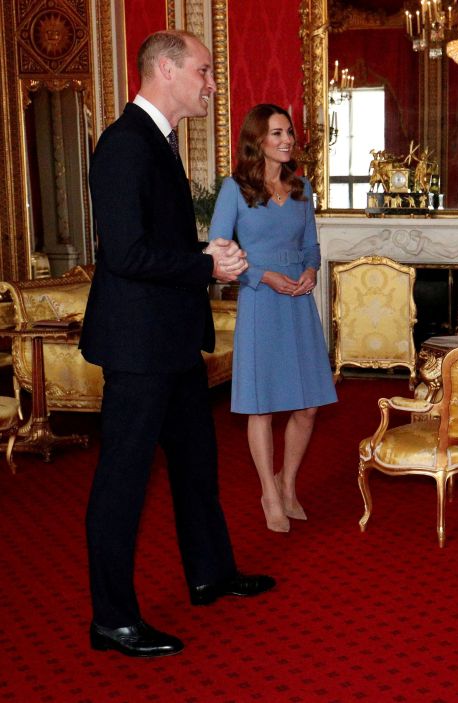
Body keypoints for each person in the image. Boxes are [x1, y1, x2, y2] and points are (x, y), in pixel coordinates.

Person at [82, 30, 275, 659]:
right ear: (165, 69)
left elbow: (157, 240)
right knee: (123, 483)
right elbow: (127, 252)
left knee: (196, 466)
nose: (211, 82)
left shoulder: (157, 143)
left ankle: (209, 574)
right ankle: (111, 619)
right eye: (204, 69)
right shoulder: (123, 145)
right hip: (138, 347)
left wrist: (204, 255)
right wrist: (205, 265)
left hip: (171, 340)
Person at [209, 104, 337, 533]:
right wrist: (263, 276)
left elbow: (311, 246)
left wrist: (310, 272)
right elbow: (219, 250)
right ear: (258, 140)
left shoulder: (302, 188)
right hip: (260, 300)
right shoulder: (235, 189)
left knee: (309, 405)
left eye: (289, 133)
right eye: (277, 134)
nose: (286, 140)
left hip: (298, 302)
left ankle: (288, 482)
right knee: (260, 407)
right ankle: (268, 492)